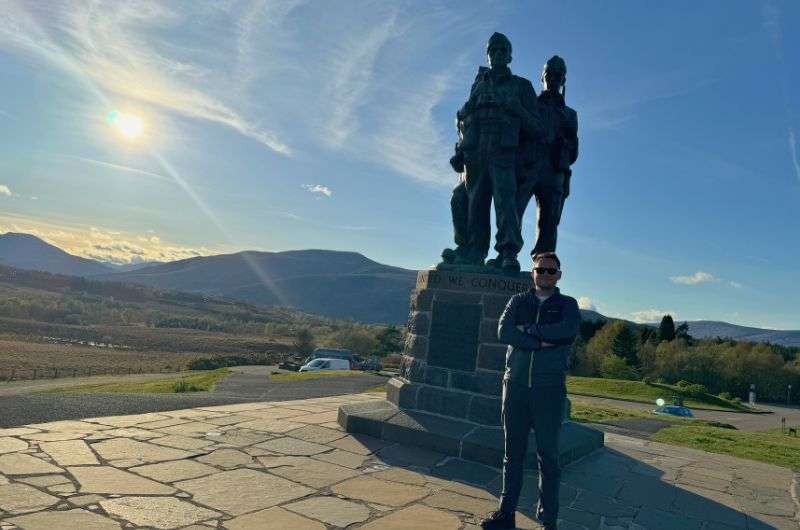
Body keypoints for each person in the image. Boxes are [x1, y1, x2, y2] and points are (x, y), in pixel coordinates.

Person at [480, 251, 581, 530]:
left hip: (548, 389)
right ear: (532, 273)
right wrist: (539, 342)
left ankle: (548, 519)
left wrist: (530, 329)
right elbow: (505, 332)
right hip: (515, 386)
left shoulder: (567, 304)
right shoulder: (517, 301)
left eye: (550, 271)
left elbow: (567, 331)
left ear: (559, 275)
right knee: (512, 453)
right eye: (540, 270)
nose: (545, 275)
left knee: (548, 455)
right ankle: (506, 514)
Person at [441, 32, 543, 273]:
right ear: (488, 55)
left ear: (509, 56)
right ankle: (474, 252)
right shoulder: (479, 84)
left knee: (504, 202)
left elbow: (537, 129)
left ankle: (508, 252)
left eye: (502, 51)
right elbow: (464, 119)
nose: (497, 55)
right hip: (476, 152)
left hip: (504, 151)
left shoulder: (521, 86)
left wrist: (517, 109)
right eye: (492, 51)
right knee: (474, 203)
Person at [516, 55, 578, 256]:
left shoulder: (570, 114)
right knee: (513, 213)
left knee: (549, 222)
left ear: (564, 80)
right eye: (549, 75)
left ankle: (542, 265)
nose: (553, 79)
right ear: (541, 77)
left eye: (558, 76)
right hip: (528, 167)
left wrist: (568, 141)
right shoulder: (530, 104)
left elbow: (574, 153)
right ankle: (507, 256)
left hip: (554, 172)